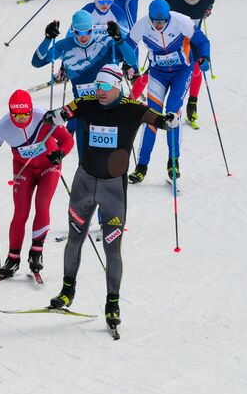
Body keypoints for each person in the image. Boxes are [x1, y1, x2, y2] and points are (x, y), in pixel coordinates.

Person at [46, 66, 168, 335]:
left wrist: (168, 120)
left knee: (113, 249)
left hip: (113, 190)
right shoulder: (86, 103)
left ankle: (112, 304)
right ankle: (67, 291)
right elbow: (62, 114)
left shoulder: (132, 108)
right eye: (97, 87)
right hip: (84, 184)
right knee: (74, 237)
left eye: (105, 88)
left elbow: (157, 119)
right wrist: (53, 117)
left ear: (118, 87)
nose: (99, 92)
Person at [0, 90, 72, 279]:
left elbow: (67, 139)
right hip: (24, 169)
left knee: (42, 204)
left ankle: (36, 253)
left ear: (31, 110)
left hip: (49, 166)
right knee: (20, 212)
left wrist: (60, 154)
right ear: (10, 112)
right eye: (16, 115)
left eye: (25, 114)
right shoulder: (2, 126)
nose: (21, 119)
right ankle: (13, 259)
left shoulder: (44, 118)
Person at [124, 0, 210, 183]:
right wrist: (129, 63)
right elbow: (127, 46)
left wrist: (205, 57)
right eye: (155, 22)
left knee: (172, 114)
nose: (159, 25)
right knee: (152, 117)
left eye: (162, 22)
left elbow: (202, 41)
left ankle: (173, 162)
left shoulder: (182, 21)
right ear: (150, 18)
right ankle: (141, 167)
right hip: (158, 74)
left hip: (181, 72)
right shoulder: (142, 25)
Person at [31, 9, 134, 100]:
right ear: (74, 31)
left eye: (87, 32)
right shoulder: (64, 46)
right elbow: (37, 62)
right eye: (79, 33)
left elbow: (132, 61)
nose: (83, 37)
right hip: (84, 107)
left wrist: (119, 39)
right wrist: (48, 38)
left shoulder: (106, 42)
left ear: (92, 28)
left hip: (112, 103)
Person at [162, 0, 215, 127]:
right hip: (176, 40)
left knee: (197, 69)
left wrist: (208, 11)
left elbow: (210, 4)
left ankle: (192, 104)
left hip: (195, 38)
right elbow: (164, 1)